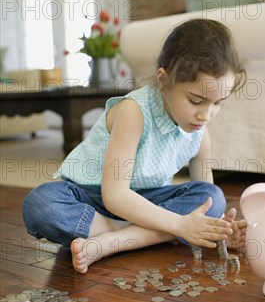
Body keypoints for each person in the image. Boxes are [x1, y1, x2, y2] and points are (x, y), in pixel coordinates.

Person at [23, 19, 247, 273]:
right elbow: (115, 196)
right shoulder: (133, 112)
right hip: (94, 199)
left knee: (212, 196)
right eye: (196, 100)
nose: (206, 115)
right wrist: (180, 226)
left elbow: (206, 205)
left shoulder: (200, 133)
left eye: (218, 103)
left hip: (148, 203)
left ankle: (113, 242)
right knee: (40, 205)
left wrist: (219, 233)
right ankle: (143, 235)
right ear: (163, 81)